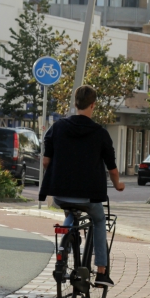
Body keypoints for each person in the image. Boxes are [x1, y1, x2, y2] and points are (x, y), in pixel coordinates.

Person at [39, 85, 125, 287]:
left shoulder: (58, 128)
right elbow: (112, 168)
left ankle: (65, 251)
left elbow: (45, 162)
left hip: (60, 193)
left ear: (75, 103)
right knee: (98, 220)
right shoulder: (100, 133)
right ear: (93, 105)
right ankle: (102, 272)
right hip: (89, 196)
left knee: (70, 210)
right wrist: (118, 184)